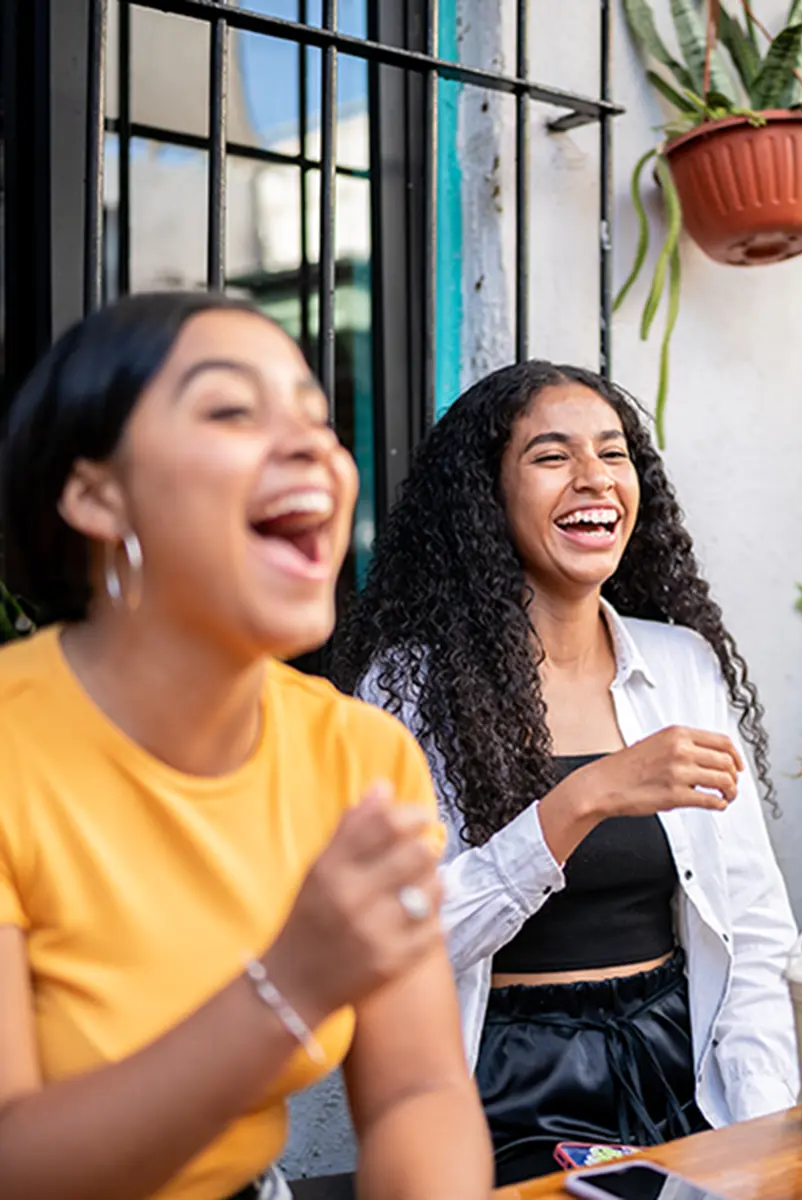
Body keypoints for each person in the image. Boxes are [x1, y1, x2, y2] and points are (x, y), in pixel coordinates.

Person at [0, 293, 492, 1200]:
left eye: (317, 418)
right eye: (231, 409)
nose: (314, 447)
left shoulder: (360, 754)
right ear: (95, 494)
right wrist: (288, 988)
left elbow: (417, 1091)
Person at [334, 360, 799, 1185]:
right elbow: (403, 947)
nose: (594, 479)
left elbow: (755, 926)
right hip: (508, 1075)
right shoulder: (409, 689)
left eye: (614, 454)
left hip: (679, 1058)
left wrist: (761, 1125)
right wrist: (583, 798)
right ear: (487, 498)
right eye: (552, 457)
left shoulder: (682, 665)